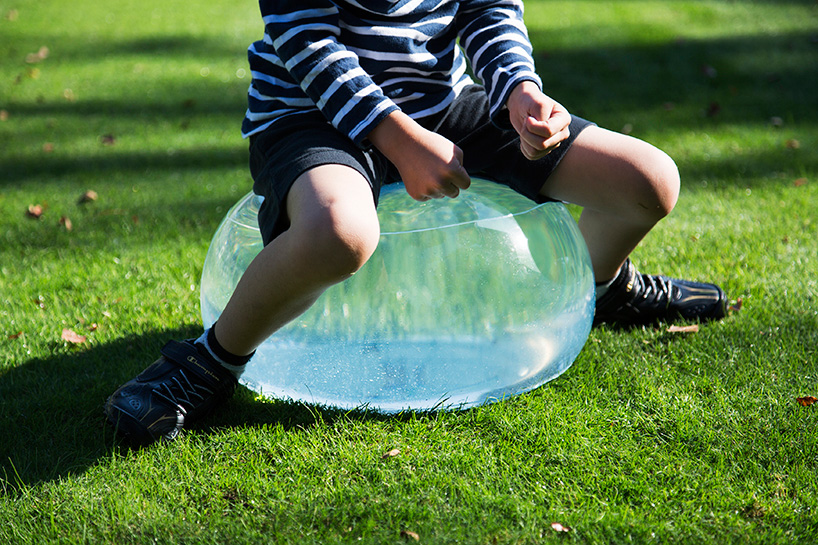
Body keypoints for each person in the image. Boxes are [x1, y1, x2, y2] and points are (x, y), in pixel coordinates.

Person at [105, 0, 727, 445]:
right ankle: (205, 365)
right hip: (311, 117)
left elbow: (488, 11)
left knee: (648, 180)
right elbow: (305, 41)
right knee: (340, 233)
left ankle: (600, 286)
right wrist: (399, 141)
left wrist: (519, 91)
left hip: (444, 106)